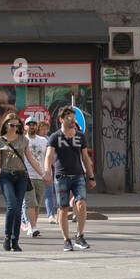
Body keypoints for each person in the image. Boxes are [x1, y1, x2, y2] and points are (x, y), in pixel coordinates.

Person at [44, 107, 95, 251]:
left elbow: (85, 157)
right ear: (61, 120)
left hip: (78, 175)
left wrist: (91, 176)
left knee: (81, 203)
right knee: (63, 208)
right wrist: (47, 172)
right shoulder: (55, 136)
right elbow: (48, 156)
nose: (72, 120)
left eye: (73, 117)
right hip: (61, 176)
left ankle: (79, 236)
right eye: (68, 117)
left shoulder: (80, 136)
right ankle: (66, 239)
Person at [0, 113, 44, 252]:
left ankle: (15, 241)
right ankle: (7, 237)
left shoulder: (23, 140)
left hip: (21, 176)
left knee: (19, 206)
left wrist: (43, 174)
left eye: (17, 125)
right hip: (6, 176)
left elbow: (31, 159)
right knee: (12, 206)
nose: (14, 128)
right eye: (12, 125)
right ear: (6, 125)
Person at [22, 117, 50, 237]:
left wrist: (47, 173)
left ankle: (33, 225)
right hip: (27, 175)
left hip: (41, 176)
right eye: (29, 124)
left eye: (34, 124)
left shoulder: (43, 141)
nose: (31, 126)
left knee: (37, 203)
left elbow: (48, 157)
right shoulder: (22, 140)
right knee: (30, 202)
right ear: (25, 126)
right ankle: (31, 226)